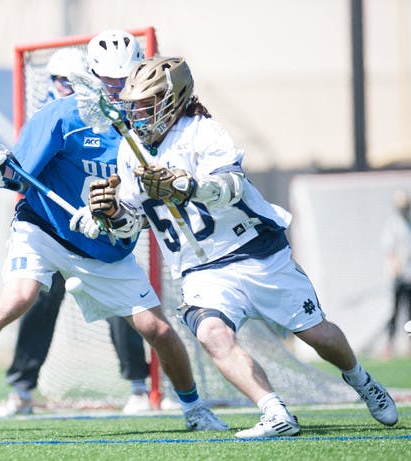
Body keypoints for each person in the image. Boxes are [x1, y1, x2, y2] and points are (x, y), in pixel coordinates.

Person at [0, 30, 228, 432]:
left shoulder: (146, 129)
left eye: (124, 80)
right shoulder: (61, 116)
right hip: (44, 228)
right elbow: (20, 177)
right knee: (18, 298)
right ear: (91, 76)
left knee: (158, 329)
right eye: (108, 81)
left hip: (104, 247)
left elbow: (144, 202)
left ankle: (195, 409)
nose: (116, 90)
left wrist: (107, 219)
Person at [85, 56, 399, 438]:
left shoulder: (201, 132)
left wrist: (186, 186)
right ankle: (274, 411)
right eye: (135, 106)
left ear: (173, 99)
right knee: (211, 333)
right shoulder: (129, 148)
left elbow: (231, 187)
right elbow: (133, 221)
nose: (140, 114)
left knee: (318, 335)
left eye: (148, 103)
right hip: (200, 268)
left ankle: (362, 381)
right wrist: (113, 213)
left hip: (254, 251)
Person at [0, 44, 152, 419]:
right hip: (50, 229)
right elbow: (20, 177)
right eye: (58, 78)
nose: (63, 85)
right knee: (34, 301)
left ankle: (139, 386)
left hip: (98, 233)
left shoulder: (111, 118)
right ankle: (21, 390)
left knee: (123, 307)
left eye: (70, 79)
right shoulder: (53, 114)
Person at [381, 189, 411, 358]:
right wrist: (394, 267)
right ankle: (389, 344)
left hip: (410, 275)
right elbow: (388, 250)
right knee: (394, 312)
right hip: (399, 277)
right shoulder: (393, 224)